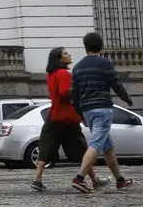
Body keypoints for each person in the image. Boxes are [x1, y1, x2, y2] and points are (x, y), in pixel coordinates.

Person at [30, 47, 107, 192]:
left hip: (54, 116)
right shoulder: (63, 73)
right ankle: (93, 180)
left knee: (46, 145)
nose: (69, 55)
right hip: (67, 117)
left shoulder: (51, 74)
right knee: (81, 148)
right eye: (65, 54)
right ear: (59, 59)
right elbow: (65, 92)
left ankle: (37, 179)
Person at [71, 32, 134, 192]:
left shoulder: (77, 68)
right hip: (102, 109)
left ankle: (120, 180)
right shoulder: (105, 64)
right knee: (96, 144)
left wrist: (80, 114)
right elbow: (116, 84)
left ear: (85, 48)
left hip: (87, 110)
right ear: (101, 46)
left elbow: (74, 94)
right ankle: (79, 178)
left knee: (107, 147)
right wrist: (127, 99)